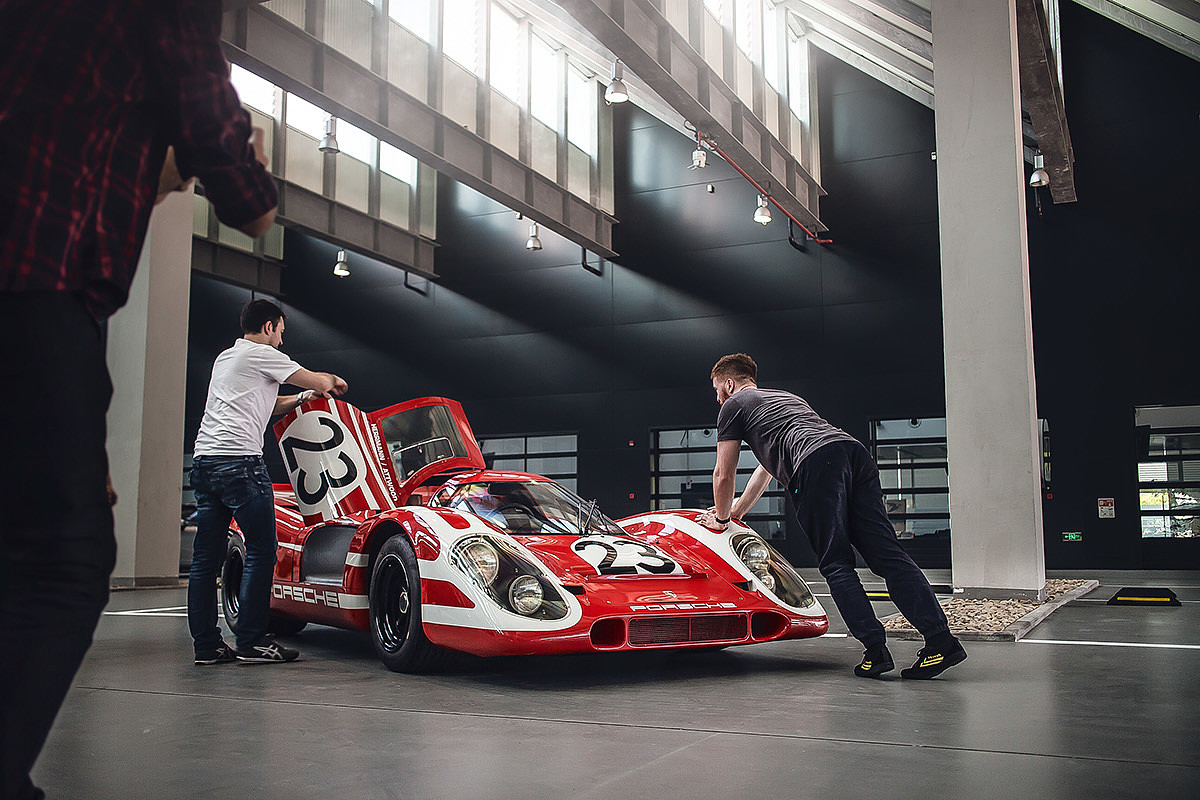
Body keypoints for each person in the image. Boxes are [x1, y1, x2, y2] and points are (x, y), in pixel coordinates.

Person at [0, 3, 280, 797]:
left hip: (188, 447)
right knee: (67, 558)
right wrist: (229, 167)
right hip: (33, 291)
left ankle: (206, 640)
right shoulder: (261, 353)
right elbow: (243, 188)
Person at [698, 354, 966, 679]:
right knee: (888, 556)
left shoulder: (734, 404)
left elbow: (723, 475)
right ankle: (941, 641)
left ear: (729, 383)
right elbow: (766, 471)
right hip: (852, 453)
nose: (717, 398)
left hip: (816, 464)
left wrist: (722, 520)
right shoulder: (785, 399)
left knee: (836, 563)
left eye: (716, 389)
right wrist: (738, 511)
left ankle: (875, 651)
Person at [189, 299, 348, 665]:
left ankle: (207, 647)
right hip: (239, 464)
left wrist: (302, 398)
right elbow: (318, 379)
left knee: (204, 559)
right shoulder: (262, 353)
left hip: (205, 463)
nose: (281, 339)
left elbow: (267, 404)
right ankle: (252, 640)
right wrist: (328, 382)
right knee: (263, 550)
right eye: (280, 331)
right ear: (269, 326)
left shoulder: (227, 358)